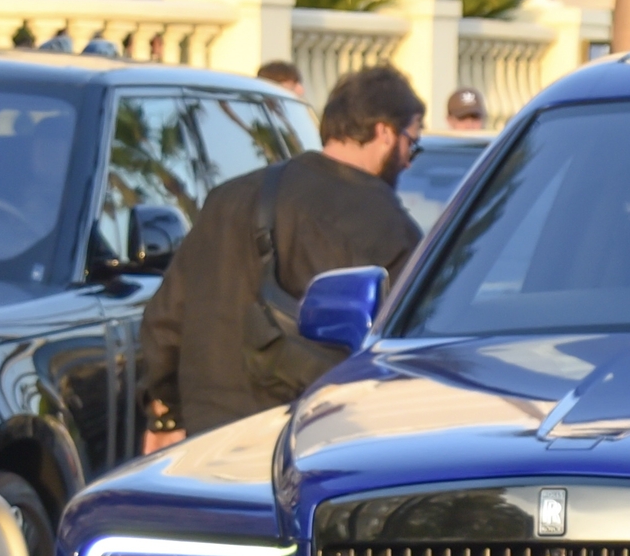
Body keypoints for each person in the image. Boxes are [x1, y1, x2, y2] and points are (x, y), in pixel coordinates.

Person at [141, 66, 426, 449]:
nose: (409, 160)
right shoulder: (389, 229)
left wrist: (166, 416)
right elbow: (408, 355)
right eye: (413, 143)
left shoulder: (229, 198)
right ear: (385, 133)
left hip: (205, 443)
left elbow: (164, 323)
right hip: (311, 447)